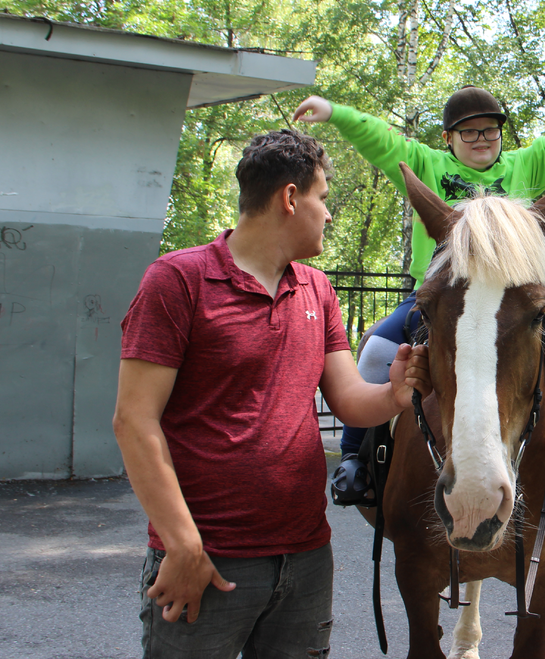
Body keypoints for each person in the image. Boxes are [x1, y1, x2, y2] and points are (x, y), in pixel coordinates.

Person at [112, 129, 431, 658]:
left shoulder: (317, 288)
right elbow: (134, 421)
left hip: (306, 559)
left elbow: (350, 400)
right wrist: (182, 544)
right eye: (322, 198)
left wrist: (395, 396)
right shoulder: (177, 281)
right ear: (289, 197)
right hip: (207, 558)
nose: (328, 214)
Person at [293, 85, 545, 506]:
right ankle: (354, 460)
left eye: (490, 131)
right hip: (441, 298)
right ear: (448, 138)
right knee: (378, 348)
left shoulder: (525, 165)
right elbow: (380, 139)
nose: (481, 140)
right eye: (468, 133)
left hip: (510, 302)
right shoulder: (427, 164)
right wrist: (335, 113)